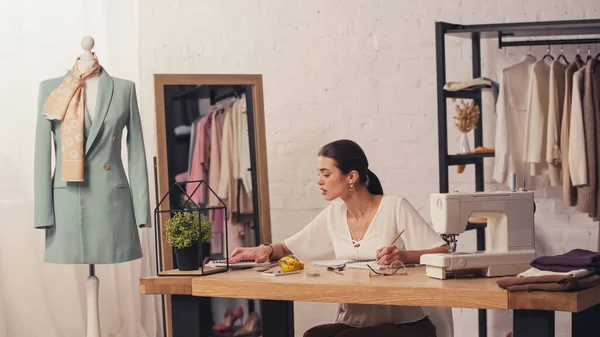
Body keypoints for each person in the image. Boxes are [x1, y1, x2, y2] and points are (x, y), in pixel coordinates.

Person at [229, 139, 451, 337]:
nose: (319, 181)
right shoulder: (334, 214)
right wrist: (264, 250)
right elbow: (287, 248)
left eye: (326, 174)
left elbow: (443, 251)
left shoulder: (394, 206)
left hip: (407, 324)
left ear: (352, 176)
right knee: (313, 335)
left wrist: (405, 255)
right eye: (319, 174)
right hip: (354, 322)